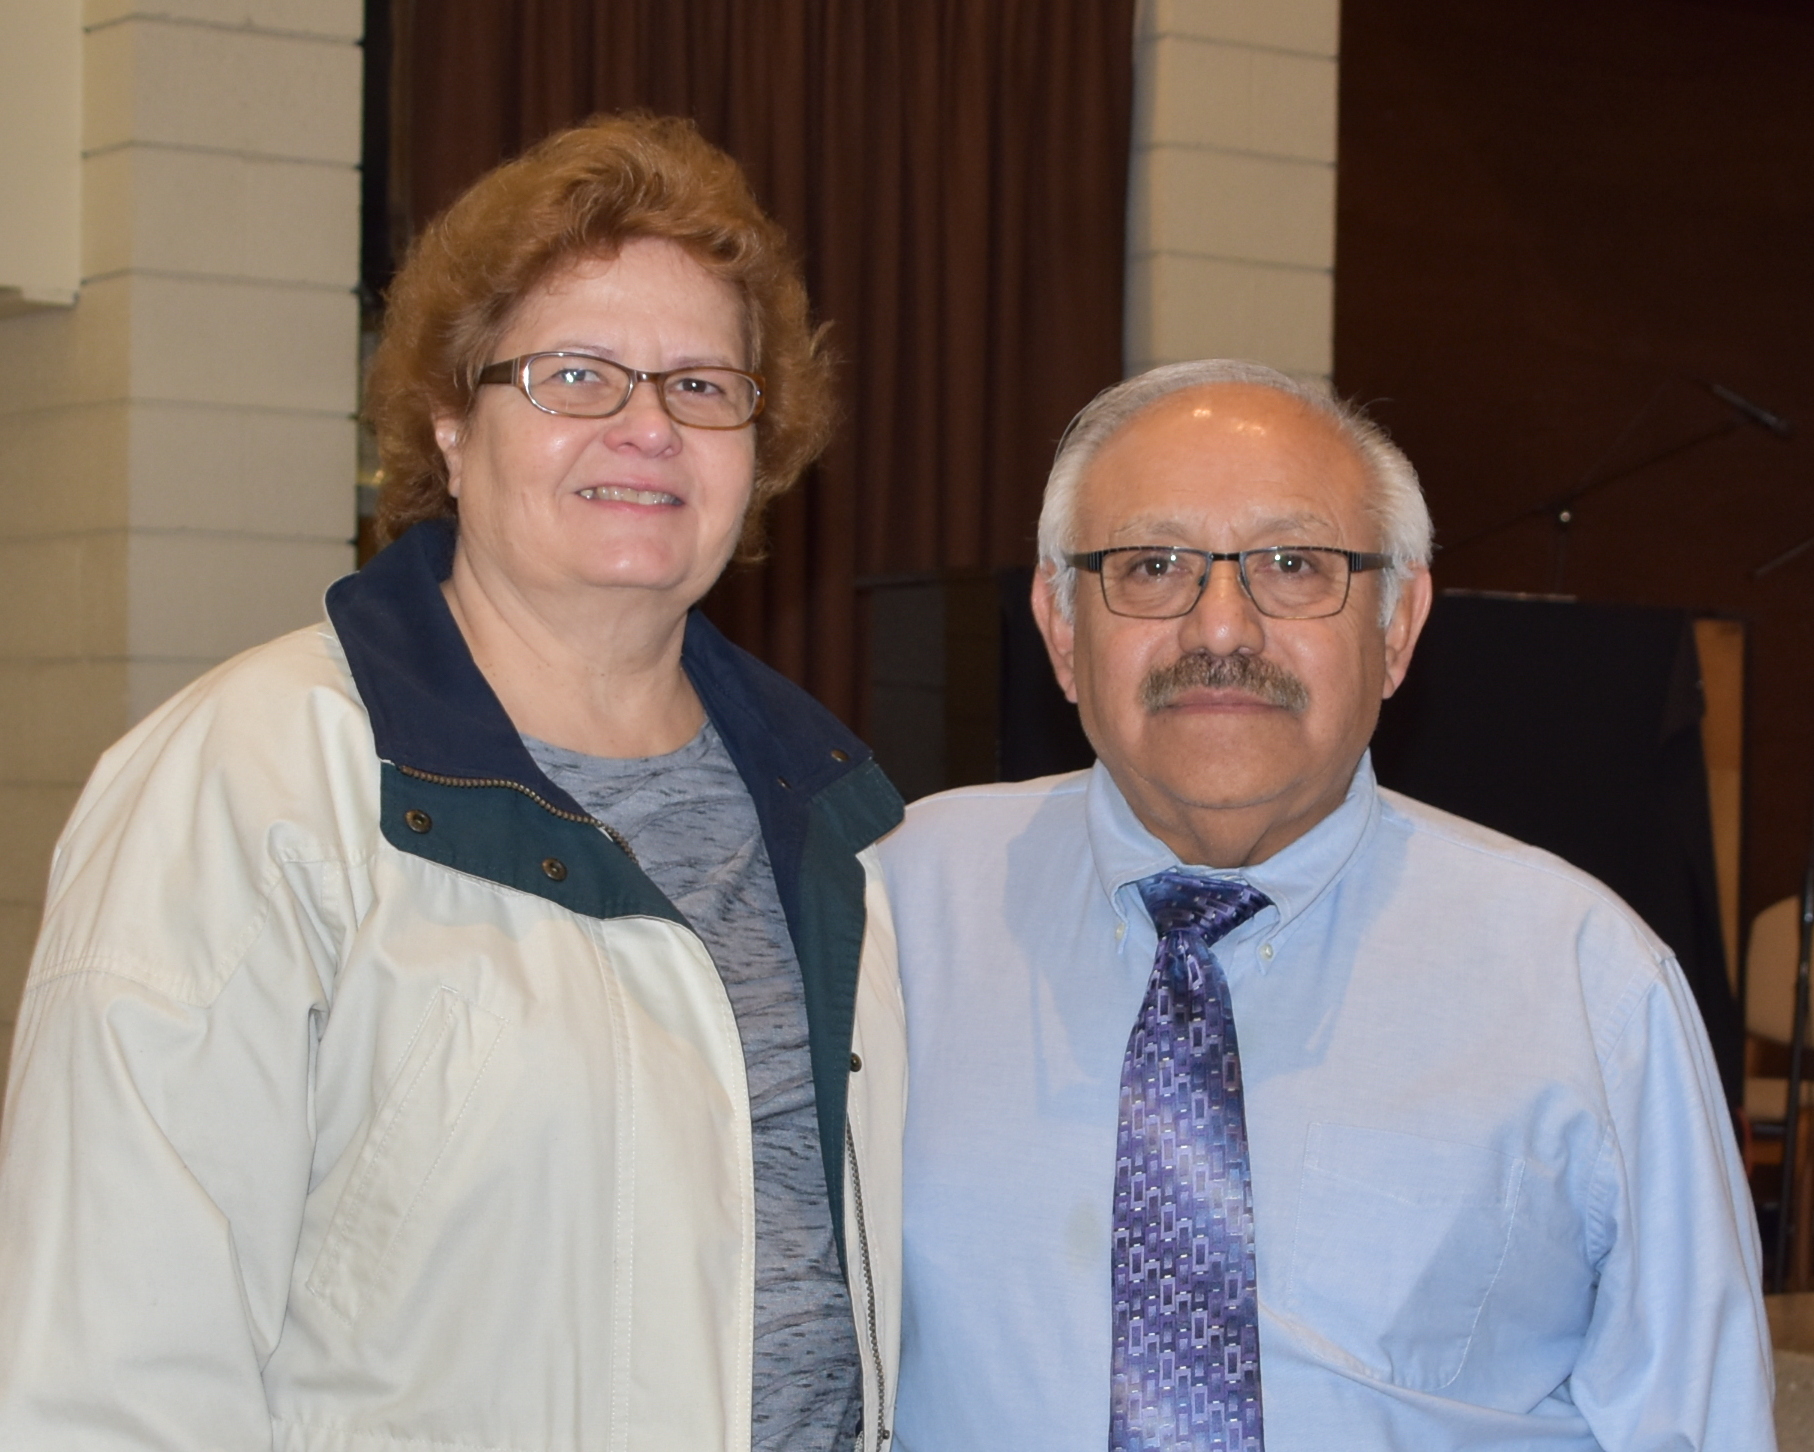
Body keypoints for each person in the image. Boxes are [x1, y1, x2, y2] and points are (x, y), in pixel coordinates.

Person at [0, 114, 905, 1452]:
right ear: (449, 422)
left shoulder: (838, 810)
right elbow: (108, 1375)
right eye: (574, 376)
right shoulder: (252, 782)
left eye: (702, 386)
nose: (647, 428)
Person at [880, 359, 1774, 1450]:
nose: (1221, 629)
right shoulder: (894, 911)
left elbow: (1697, 1422)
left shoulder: (1587, 981)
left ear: (1396, 625)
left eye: (1293, 565)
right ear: (1061, 628)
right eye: (1152, 566)